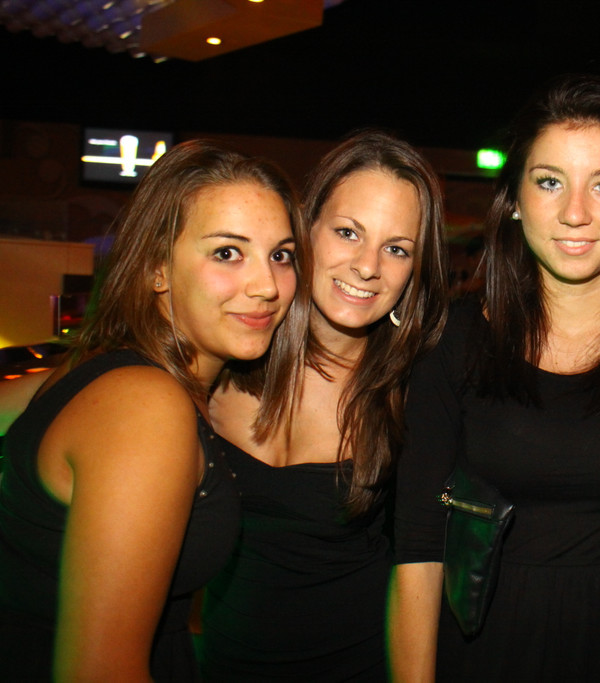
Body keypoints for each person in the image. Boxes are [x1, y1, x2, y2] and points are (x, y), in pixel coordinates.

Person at [388, 74, 600, 682]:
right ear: (515, 199)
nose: (576, 213)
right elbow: (419, 547)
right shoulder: (453, 340)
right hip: (481, 655)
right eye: (550, 182)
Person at [0, 140, 303, 681]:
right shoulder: (146, 404)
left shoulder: (93, 368)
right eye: (227, 253)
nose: (267, 287)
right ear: (156, 269)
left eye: (280, 255)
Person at [197, 130, 448, 681]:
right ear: (304, 230)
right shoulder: (224, 356)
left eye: (397, 249)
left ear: (415, 270)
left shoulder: (414, 390)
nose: (367, 266)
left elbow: (423, 566)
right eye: (348, 232)